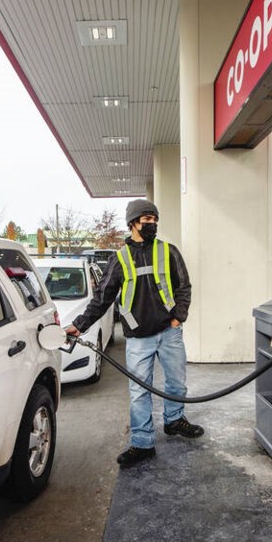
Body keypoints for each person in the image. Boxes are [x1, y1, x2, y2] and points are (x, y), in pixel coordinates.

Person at [66, 198, 203, 468]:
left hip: (169, 332)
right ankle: (142, 443)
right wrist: (80, 324)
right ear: (133, 223)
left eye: (154, 219)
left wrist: (178, 318)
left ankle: (174, 421)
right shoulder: (120, 259)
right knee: (140, 392)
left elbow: (183, 287)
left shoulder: (168, 251)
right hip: (138, 338)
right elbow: (102, 298)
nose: (152, 224)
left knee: (177, 384)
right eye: (147, 219)